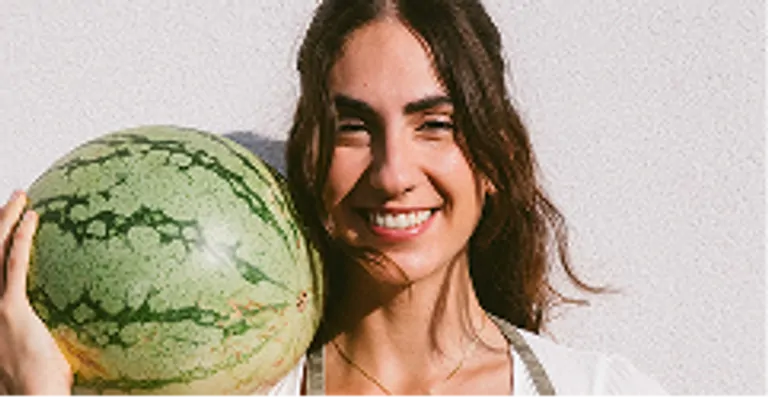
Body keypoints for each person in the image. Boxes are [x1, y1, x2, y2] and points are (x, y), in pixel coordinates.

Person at [0, 0, 669, 397]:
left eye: (434, 124)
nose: (393, 172)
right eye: (354, 127)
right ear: (309, 155)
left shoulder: (604, 391)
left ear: (494, 155)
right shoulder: (226, 391)